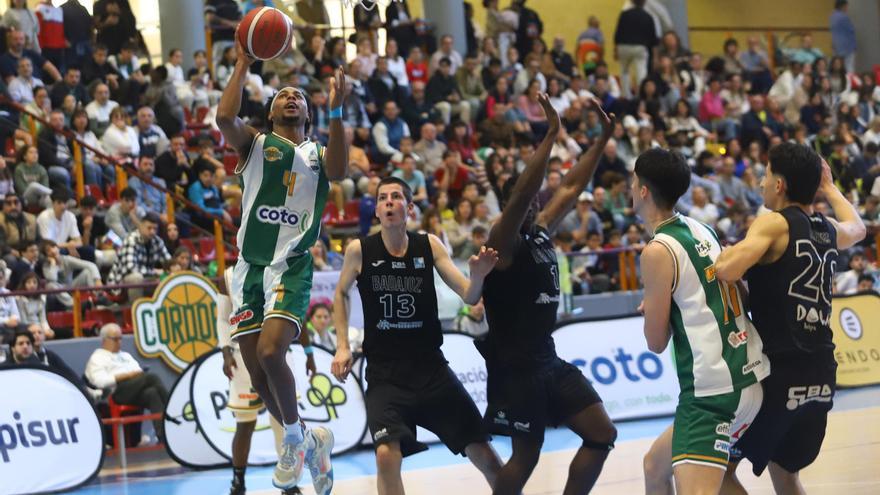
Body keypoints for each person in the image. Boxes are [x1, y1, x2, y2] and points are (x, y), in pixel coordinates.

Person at [215, 30, 348, 494]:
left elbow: (341, 170)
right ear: (270, 111)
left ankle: (294, 438)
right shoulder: (254, 144)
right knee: (258, 373)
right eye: (283, 96)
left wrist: (336, 110)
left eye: (299, 97)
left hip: (290, 264)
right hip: (248, 268)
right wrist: (242, 63)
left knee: (272, 352)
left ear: (308, 114)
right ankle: (311, 438)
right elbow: (224, 116)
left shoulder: (316, 153)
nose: (291, 98)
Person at [477, 95, 616, 495]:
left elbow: (572, 185)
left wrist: (602, 140)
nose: (535, 200)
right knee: (527, 457)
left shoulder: (539, 227)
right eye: (527, 196)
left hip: (547, 358)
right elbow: (522, 194)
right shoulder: (502, 240)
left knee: (601, 432)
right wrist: (551, 135)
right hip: (516, 370)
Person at [330, 176, 503, 495]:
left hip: (431, 371)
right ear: (378, 212)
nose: (389, 202)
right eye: (383, 198)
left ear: (409, 208)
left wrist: (477, 276)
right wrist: (342, 347)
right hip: (385, 376)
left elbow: (468, 294)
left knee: (486, 454)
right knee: (385, 456)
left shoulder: (429, 245)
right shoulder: (360, 250)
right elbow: (339, 295)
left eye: (396, 197)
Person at [714, 143, 866, 493]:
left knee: (718, 470)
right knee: (784, 471)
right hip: (822, 372)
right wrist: (828, 187)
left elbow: (725, 269)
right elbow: (857, 229)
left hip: (779, 371)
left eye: (766, 176)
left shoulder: (773, 224)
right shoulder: (826, 227)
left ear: (780, 184)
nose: (762, 184)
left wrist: (728, 254)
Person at [633, 147, 769, 494]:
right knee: (654, 466)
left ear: (643, 190)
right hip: (748, 376)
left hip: (711, 395)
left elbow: (656, 341)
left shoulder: (657, 250)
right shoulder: (700, 227)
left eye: (633, 183)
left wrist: (652, 306)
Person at [216, 267, 314, 495]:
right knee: (245, 423)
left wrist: (309, 352)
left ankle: (289, 483)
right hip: (243, 356)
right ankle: (238, 481)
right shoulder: (228, 277)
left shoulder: (280, 265)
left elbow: (297, 312)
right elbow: (223, 318)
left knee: (283, 420)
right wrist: (225, 351)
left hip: (276, 353)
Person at [85, 323, 169, 443]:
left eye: (120, 338)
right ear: (104, 340)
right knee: (152, 378)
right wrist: (126, 375)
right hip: (117, 392)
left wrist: (133, 375)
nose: (119, 342)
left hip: (134, 388)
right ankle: (172, 408)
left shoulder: (126, 355)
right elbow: (99, 381)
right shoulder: (97, 357)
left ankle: (163, 437)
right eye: (115, 339)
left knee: (152, 393)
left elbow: (138, 371)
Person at [106, 212, 170, 301]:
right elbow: (131, 268)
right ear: (141, 226)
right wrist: (155, 272)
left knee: (168, 276)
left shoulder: (157, 241)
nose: (152, 232)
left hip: (145, 277)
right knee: (136, 278)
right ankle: (134, 309)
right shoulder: (131, 240)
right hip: (120, 283)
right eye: (149, 228)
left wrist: (170, 270)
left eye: (155, 229)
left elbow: (169, 262)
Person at [613, 0, 658, 98]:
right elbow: (653, 39)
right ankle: (642, 95)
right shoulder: (648, 16)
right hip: (640, 47)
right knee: (641, 72)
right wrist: (654, 57)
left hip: (623, 46)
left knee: (624, 71)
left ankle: (625, 95)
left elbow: (618, 33)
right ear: (644, 2)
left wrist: (615, 49)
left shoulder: (624, 14)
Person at [830, 0, 856, 73]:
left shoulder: (832, 17)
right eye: (846, 6)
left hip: (837, 45)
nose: (847, 8)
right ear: (843, 6)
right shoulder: (844, 17)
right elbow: (851, 30)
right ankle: (850, 82)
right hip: (847, 46)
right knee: (849, 67)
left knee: (839, 66)